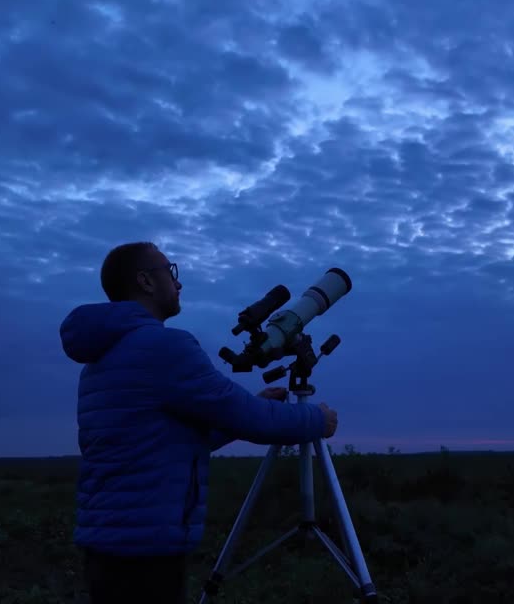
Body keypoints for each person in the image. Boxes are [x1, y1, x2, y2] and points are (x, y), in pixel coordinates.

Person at [59, 241, 339, 603]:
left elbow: (173, 440)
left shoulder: (101, 359)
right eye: (170, 272)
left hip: (112, 542)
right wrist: (317, 419)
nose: (178, 284)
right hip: (146, 550)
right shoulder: (164, 347)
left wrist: (248, 407)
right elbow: (254, 421)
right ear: (145, 281)